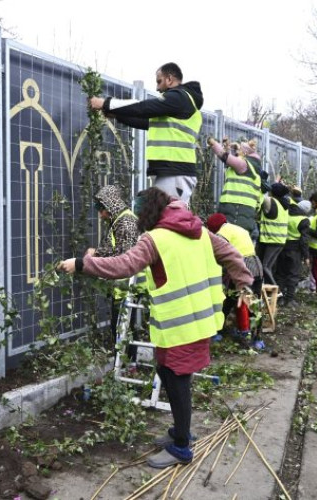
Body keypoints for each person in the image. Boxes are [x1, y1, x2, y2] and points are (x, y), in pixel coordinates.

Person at [58, 187, 253, 469]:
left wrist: (80, 263)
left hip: (181, 325)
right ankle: (180, 431)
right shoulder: (198, 230)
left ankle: (182, 448)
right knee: (167, 371)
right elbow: (230, 252)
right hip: (195, 321)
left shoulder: (155, 239)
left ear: (148, 213)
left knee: (177, 381)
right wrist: (244, 282)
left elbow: (123, 266)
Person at [89, 62, 203, 204]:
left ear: (170, 79)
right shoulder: (181, 103)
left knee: (170, 220)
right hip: (172, 171)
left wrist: (106, 103)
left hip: (175, 172)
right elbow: (145, 122)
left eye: (159, 81)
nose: (157, 88)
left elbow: (143, 107)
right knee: (168, 219)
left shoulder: (179, 97)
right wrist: (117, 115)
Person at [88, 185, 141, 355]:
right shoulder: (119, 220)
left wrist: (96, 255)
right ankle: (125, 362)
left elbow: (124, 255)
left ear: (111, 206)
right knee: (121, 325)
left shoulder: (126, 222)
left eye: (101, 209)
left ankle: (127, 364)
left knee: (123, 326)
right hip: (124, 284)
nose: (100, 213)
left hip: (129, 285)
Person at [206, 213, 264, 347]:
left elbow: (217, 255)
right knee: (254, 302)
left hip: (240, 267)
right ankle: (257, 339)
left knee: (231, 299)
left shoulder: (220, 234)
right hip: (255, 265)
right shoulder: (238, 229)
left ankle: (236, 333)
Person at [207, 137, 263, 233]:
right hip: (243, 213)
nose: (238, 152)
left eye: (240, 150)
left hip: (235, 212)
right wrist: (231, 147)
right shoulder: (253, 169)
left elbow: (224, 156)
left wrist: (212, 143)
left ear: (245, 153)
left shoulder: (243, 165)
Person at [275, 198, 310, 307]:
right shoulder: (304, 219)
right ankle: (289, 299)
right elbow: (304, 240)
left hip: (281, 247)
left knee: (280, 274)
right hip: (295, 250)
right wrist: (306, 256)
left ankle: (279, 299)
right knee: (293, 274)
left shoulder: (285, 214)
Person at [256, 183, 290, 286]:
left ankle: (276, 290)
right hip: (280, 240)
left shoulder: (270, 201)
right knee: (269, 267)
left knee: (264, 266)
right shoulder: (284, 205)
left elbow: (260, 198)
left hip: (271, 239)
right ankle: (271, 291)